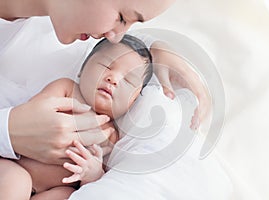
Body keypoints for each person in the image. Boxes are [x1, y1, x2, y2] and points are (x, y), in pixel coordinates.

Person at [0, 0, 176, 165]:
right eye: (122, 18)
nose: (115, 38)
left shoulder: (65, 31)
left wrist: (155, 48)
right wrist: (8, 131)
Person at [0, 34, 153, 200]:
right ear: (82, 69)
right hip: (14, 166)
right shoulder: (66, 89)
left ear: (133, 100)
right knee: (18, 182)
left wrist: (92, 173)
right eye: (106, 66)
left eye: (128, 80)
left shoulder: (111, 135)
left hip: (57, 187)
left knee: (68, 195)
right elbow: (31, 114)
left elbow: (99, 183)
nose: (113, 79)